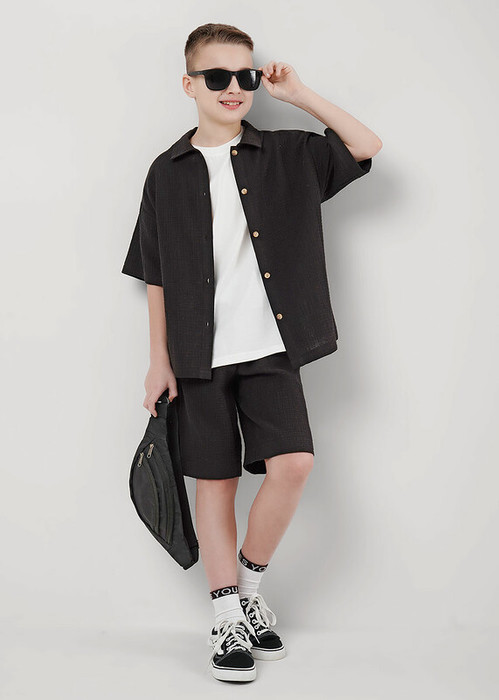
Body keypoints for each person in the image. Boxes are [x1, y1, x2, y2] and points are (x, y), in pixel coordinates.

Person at [121, 22, 382, 683]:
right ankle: (224, 619)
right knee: (215, 482)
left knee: (293, 464)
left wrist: (300, 95)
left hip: (271, 348)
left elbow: (365, 146)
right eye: (217, 76)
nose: (233, 87)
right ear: (190, 85)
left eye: (244, 76)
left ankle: (249, 591)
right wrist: (158, 361)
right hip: (197, 356)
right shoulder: (165, 172)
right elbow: (155, 274)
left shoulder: (288, 154)